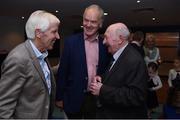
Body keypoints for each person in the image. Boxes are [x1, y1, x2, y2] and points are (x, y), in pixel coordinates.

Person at [0, 10, 60, 119]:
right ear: (38, 33)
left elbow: (37, 75)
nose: (58, 36)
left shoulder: (41, 53)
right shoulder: (18, 59)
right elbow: (3, 109)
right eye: (54, 31)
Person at [56, 4, 110, 119]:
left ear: (100, 24)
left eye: (93, 22)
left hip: (96, 99)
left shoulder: (105, 45)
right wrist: (59, 97)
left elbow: (107, 71)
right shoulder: (70, 42)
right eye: (86, 20)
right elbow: (63, 71)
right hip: (73, 96)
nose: (88, 25)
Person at [89, 23, 148, 118]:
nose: (103, 42)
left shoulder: (134, 60)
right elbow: (117, 77)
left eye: (106, 38)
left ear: (120, 39)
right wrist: (102, 78)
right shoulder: (119, 55)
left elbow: (136, 96)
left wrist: (102, 90)